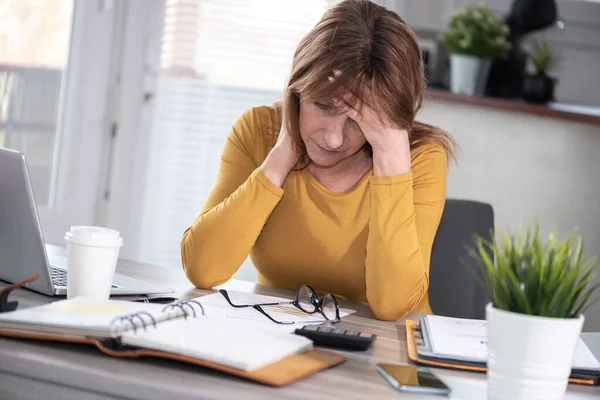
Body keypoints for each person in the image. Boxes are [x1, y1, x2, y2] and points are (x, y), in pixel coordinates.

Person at [180, 0, 457, 321]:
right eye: (323, 106)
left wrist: (392, 155)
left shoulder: (421, 156)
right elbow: (202, 269)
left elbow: (393, 306)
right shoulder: (258, 131)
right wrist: (283, 152)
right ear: (298, 89)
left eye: (360, 120)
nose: (333, 139)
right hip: (277, 337)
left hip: (382, 354)